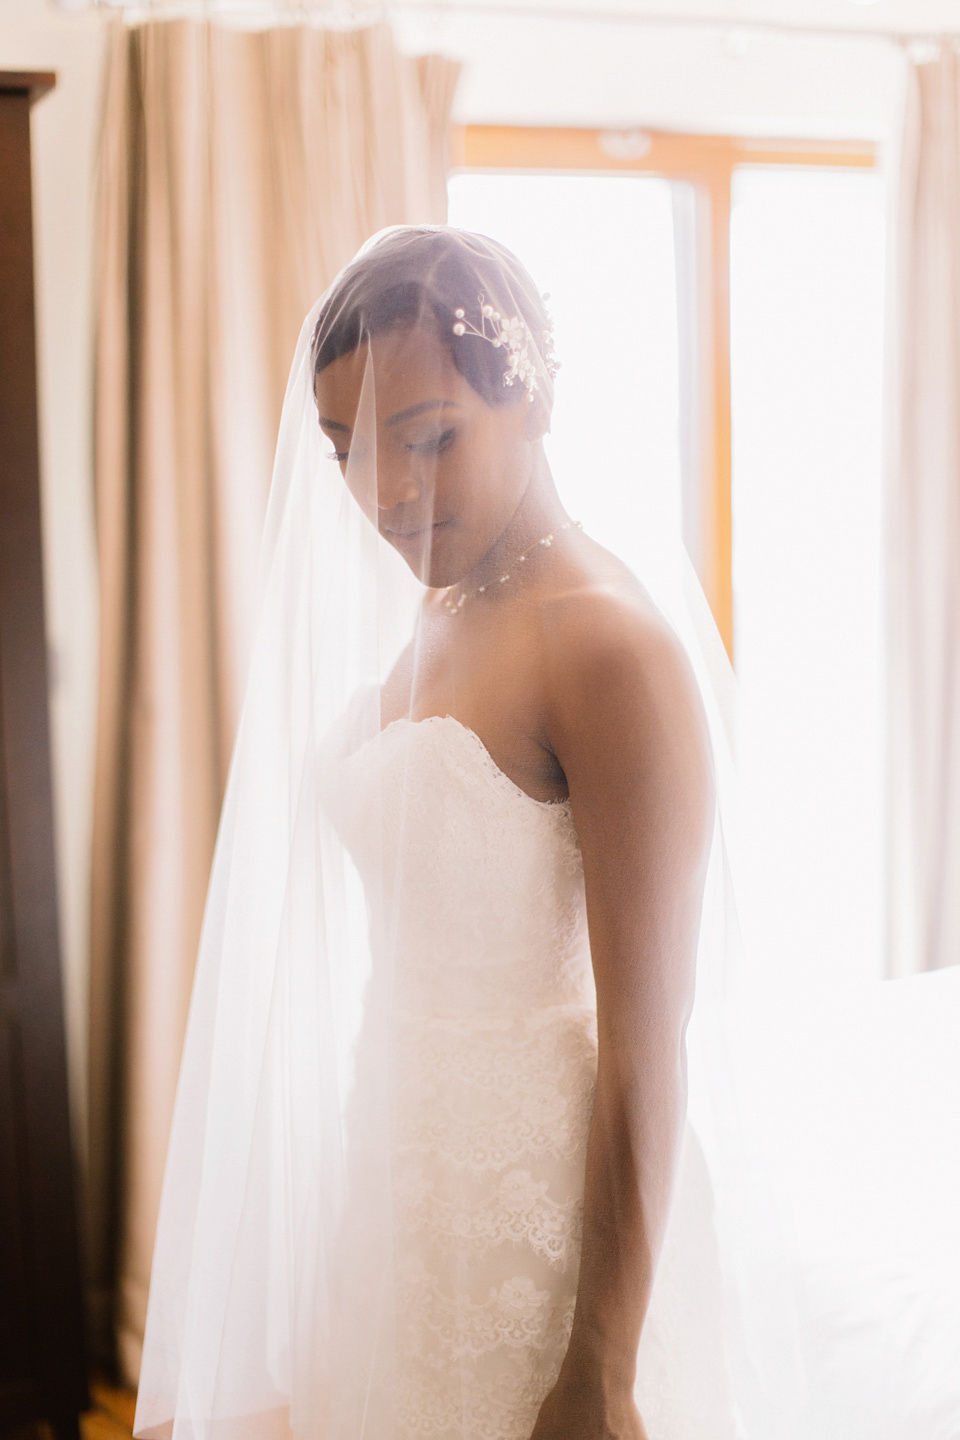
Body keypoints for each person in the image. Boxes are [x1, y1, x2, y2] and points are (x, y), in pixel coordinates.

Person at [133, 227, 746, 1440]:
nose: (386, 495)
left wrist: (601, 1372)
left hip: (544, 1235)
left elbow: (645, 1045)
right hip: (401, 1164)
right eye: (348, 451)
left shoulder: (607, 646)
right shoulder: (447, 610)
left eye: (427, 439)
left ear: (535, 394)